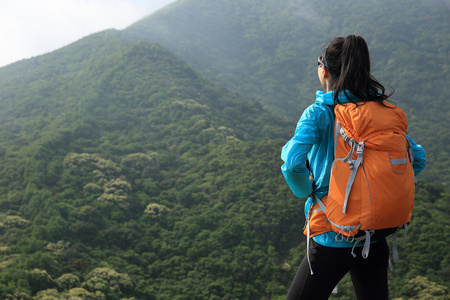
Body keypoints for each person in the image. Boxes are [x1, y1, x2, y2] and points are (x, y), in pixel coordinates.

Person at [280, 35, 426, 300]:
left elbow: (292, 162)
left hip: (330, 237)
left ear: (323, 70)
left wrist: (305, 189)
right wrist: (375, 185)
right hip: (373, 235)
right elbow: (418, 158)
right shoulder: (382, 111)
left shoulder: (320, 112)